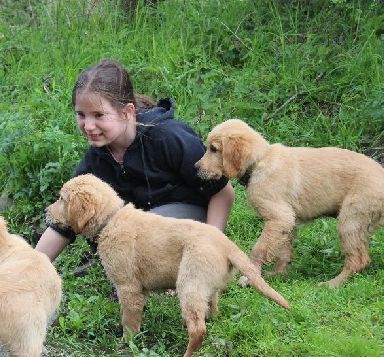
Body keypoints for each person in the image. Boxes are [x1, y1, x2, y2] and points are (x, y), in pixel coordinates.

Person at [36, 59, 235, 262]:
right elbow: (64, 220)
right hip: (144, 234)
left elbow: (223, 192)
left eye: (98, 115)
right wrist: (32, 265)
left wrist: (211, 248)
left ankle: (170, 271)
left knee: (143, 227)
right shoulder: (95, 161)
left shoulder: (168, 137)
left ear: (127, 111)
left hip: (188, 224)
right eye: (81, 115)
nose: (88, 125)